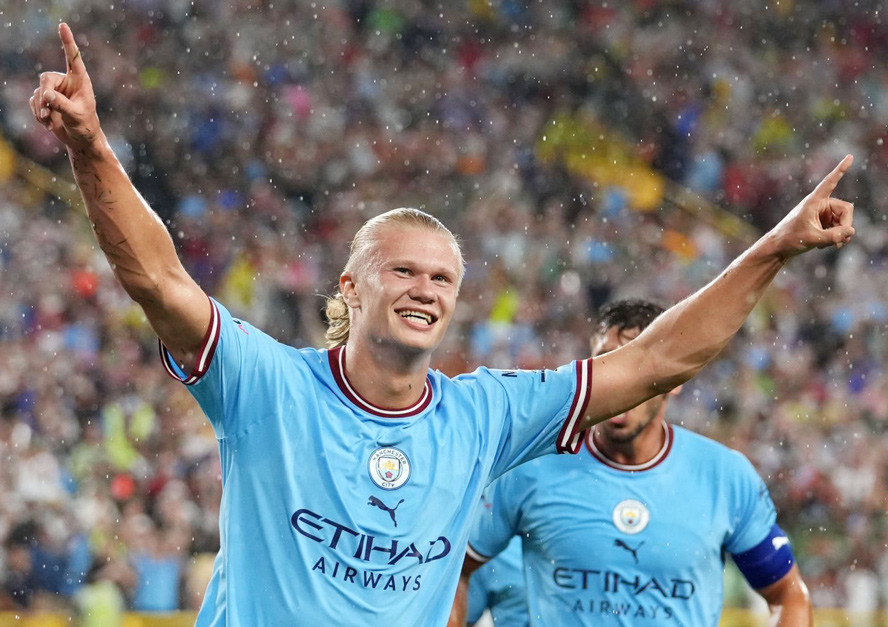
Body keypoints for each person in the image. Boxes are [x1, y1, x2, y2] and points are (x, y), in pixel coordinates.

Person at [30, 22, 853, 625]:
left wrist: (775, 246)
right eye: (402, 269)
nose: (425, 288)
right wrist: (92, 148)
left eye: (443, 277)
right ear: (350, 286)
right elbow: (159, 281)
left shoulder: (484, 414)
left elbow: (659, 360)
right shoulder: (269, 386)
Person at [449, 299, 813, 627]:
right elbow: (452, 571)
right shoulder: (531, 468)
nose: (622, 384)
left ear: (675, 379)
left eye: (638, 366)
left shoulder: (724, 476)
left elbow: (788, 594)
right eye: (608, 363)